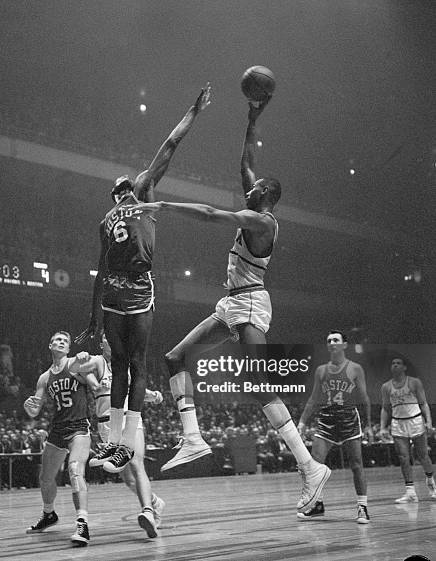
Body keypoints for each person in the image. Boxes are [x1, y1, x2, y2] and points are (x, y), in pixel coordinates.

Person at [131, 98, 330, 515]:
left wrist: (164, 205)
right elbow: (247, 163)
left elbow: (207, 214)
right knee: (175, 358)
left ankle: (309, 466)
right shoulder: (256, 201)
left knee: (260, 385)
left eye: (256, 188)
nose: (248, 187)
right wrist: (252, 117)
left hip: (252, 303)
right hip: (231, 304)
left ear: (267, 197)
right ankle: (192, 438)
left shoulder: (263, 221)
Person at [76, 83, 212, 473]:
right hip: (136, 287)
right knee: (138, 364)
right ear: (131, 189)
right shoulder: (144, 193)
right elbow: (169, 145)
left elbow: (99, 271)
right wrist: (194, 109)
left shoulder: (105, 220)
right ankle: (127, 446)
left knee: (119, 365)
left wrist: (93, 318)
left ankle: (114, 443)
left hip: (111, 294)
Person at [24, 331, 101, 547]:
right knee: (45, 478)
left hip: (78, 427)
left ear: (68, 349)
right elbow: (34, 410)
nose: (61, 342)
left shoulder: (76, 365)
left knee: (75, 470)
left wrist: (91, 371)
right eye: (57, 340)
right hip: (57, 429)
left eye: (65, 341)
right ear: (50, 346)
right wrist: (28, 407)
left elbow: (94, 384)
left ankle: (82, 524)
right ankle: (49, 514)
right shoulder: (44, 378)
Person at [85, 334, 165, 537]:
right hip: (107, 427)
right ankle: (155, 502)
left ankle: (147, 511)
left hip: (130, 419)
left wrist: (153, 395)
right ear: (101, 344)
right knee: (128, 479)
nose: (111, 341)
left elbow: (138, 390)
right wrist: (93, 381)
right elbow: (81, 372)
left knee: (137, 464)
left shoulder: (127, 367)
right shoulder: (96, 361)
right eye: (106, 339)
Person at [297, 331, 373, 523]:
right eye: (329, 340)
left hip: (348, 418)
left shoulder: (355, 368)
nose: (331, 343)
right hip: (326, 419)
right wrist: (302, 422)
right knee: (313, 465)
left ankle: (362, 507)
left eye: (336, 340)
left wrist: (370, 424)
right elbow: (314, 398)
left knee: (356, 464)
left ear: (344, 345)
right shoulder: (321, 370)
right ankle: (317, 505)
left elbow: (364, 398)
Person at [380, 356, 436, 503]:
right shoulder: (386, 387)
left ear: (404, 367)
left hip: (416, 420)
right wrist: (382, 427)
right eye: (393, 363)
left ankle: (431, 481)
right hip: (398, 423)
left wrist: (428, 422)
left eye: (398, 363)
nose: (395, 365)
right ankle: (410, 492)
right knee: (403, 458)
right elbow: (386, 408)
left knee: (423, 456)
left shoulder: (414, 382)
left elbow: (423, 404)